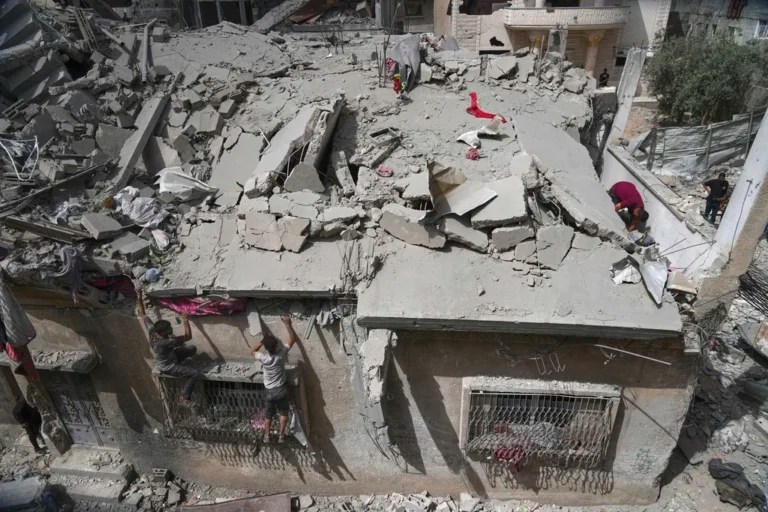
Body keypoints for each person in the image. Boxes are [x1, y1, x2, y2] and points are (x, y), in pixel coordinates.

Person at [137, 290, 201, 405]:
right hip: (168, 367)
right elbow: (188, 336)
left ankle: (181, 366)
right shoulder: (166, 342)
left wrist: (139, 296)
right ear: (162, 333)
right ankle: (184, 398)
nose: (171, 331)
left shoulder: (152, 329)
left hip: (169, 357)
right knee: (194, 373)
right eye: (169, 330)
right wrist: (185, 320)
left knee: (192, 349)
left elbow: (142, 314)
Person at [250, 316, 299, 444]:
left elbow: (252, 350)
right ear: (277, 345)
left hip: (269, 391)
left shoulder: (264, 358)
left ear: (266, 348)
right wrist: (288, 324)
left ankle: (266, 435)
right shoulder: (281, 356)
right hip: (281, 390)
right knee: (283, 412)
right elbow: (293, 339)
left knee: (268, 414)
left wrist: (263, 340)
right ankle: (281, 436)